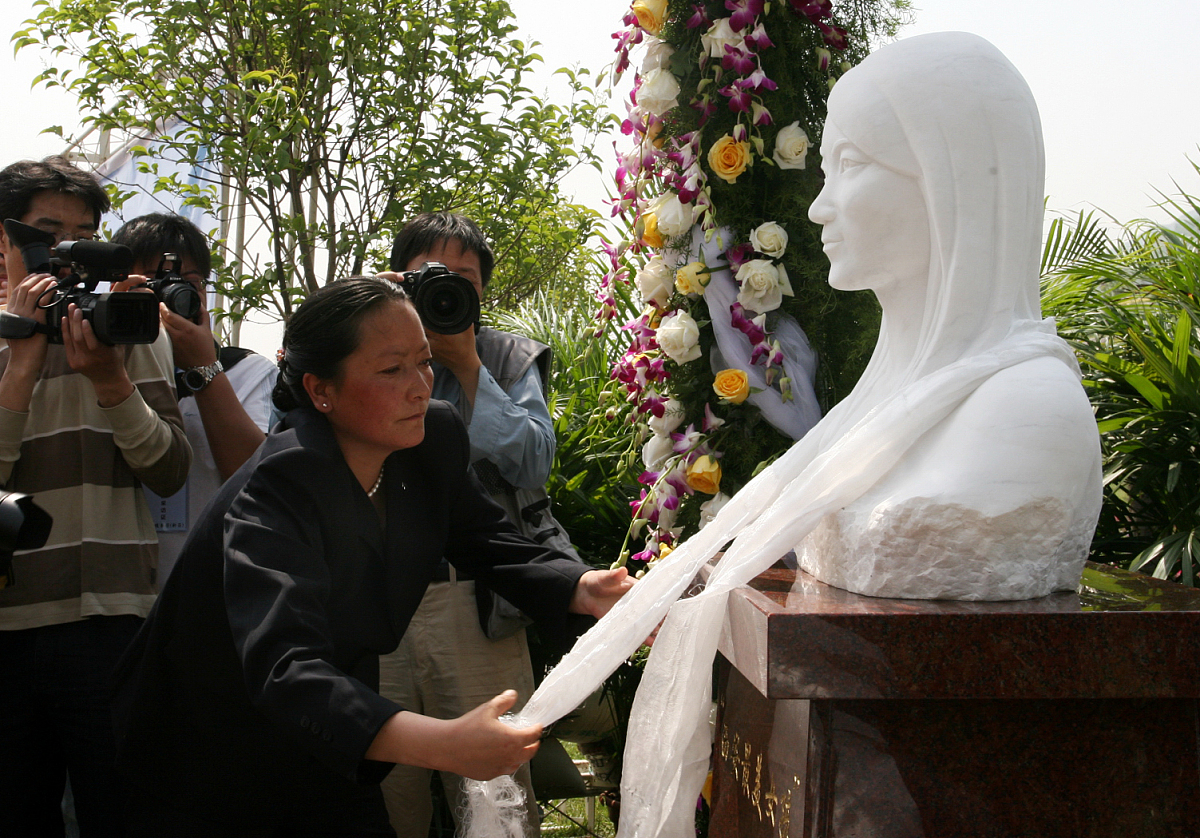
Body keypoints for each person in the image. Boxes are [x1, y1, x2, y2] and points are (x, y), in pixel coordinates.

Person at [462, 32, 1104, 838]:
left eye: (856, 168)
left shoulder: (1026, 416)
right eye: (827, 171)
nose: (820, 205)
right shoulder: (891, 402)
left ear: (954, 184)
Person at [112, 277, 632, 836]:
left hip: (329, 729)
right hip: (205, 744)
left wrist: (580, 586)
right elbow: (285, 667)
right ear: (320, 391)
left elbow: (486, 539)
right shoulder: (277, 490)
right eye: (391, 370)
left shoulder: (429, 437)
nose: (419, 387)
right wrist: (445, 744)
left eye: (425, 362)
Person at [0, 156, 191, 836]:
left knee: (126, 815)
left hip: (111, 620)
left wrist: (112, 383)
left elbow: (170, 472)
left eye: (83, 235)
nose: (67, 253)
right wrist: (20, 362)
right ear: (4, 240)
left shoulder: (131, 326)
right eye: (47, 233)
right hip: (8, 626)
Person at [376, 212, 581, 837]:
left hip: (477, 601)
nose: (444, 288)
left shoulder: (508, 355)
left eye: (460, 277)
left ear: (481, 290)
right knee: (386, 796)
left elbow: (534, 460)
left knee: (495, 799)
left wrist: (467, 367)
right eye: (426, 276)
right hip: (378, 604)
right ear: (396, 279)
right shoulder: (362, 342)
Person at [111, 213, 278, 585]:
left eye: (189, 284)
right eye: (154, 284)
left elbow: (255, 480)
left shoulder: (245, 372)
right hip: (122, 589)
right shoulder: (101, 368)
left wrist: (203, 368)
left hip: (211, 586)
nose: (172, 296)